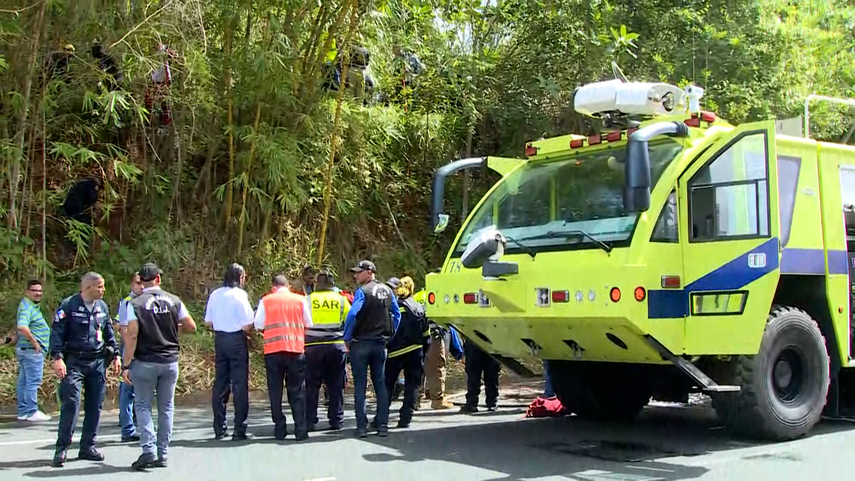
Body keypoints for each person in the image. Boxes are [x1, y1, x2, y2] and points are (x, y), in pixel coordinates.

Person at [122, 263, 197, 470]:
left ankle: (149, 450)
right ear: (158, 279)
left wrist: (126, 364)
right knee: (166, 407)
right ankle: (163, 453)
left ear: (142, 282)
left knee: (143, 405)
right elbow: (191, 326)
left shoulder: (135, 303)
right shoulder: (174, 300)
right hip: (169, 361)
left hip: (145, 361)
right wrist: (173, 329)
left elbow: (133, 334)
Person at [49, 272, 120, 468]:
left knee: (95, 405)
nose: (103, 290)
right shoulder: (69, 305)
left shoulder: (102, 307)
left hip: (97, 362)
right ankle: (62, 448)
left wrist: (115, 354)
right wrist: (57, 358)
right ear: (88, 287)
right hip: (74, 362)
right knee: (70, 404)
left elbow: (108, 331)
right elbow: (56, 333)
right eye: (100, 286)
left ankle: (88, 446)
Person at [343, 260, 400, 437]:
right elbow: (396, 315)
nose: (355, 275)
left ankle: (362, 427)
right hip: (380, 344)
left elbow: (352, 314)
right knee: (380, 384)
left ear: (369, 272)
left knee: (360, 386)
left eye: (359, 272)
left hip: (360, 343)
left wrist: (347, 337)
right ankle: (382, 424)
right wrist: (391, 335)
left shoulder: (363, 292)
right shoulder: (388, 291)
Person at [254, 275, 312, 441]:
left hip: (273, 351)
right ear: (289, 286)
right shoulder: (300, 300)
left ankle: (280, 428)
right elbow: (309, 323)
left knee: (275, 391)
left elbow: (258, 324)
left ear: (274, 287)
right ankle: (300, 429)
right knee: (297, 390)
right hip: (295, 350)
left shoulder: (266, 300)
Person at [205, 263, 255, 440]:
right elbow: (249, 322)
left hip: (220, 339)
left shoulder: (215, 294)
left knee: (220, 382)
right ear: (240, 277)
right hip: (236, 339)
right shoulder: (239, 295)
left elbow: (208, 322)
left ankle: (219, 427)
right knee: (239, 384)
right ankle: (239, 428)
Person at [305, 269, 350, 431]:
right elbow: (351, 320)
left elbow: (301, 321)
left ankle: (309, 420)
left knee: (311, 385)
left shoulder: (308, 300)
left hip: (312, 347)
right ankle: (336, 420)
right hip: (336, 346)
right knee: (336, 384)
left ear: (317, 284)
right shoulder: (342, 300)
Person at [383, 276, 427, 428]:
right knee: (412, 386)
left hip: (394, 353)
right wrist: (424, 354)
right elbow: (426, 334)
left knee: (387, 385)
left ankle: (381, 418)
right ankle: (405, 418)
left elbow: (385, 330)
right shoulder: (419, 308)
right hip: (415, 352)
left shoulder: (391, 308)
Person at [16, 279, 51, 422]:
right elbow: (22, 326)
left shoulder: (28, 305)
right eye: (35, 291)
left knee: (24, 381)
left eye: (40, 291)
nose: (38, 293)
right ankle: (31, 411)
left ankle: (24, 411)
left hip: (26, 350)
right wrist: (35, 342)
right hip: (31, 351)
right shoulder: (27, 308)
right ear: (27, 292)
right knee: (32, 381)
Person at [115, 272, 144, 441]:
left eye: (142, 283)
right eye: (137, 283)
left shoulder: (147, 301)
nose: (140, 286)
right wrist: (128, 353)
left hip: (143, 350)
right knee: (127, 389)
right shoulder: (127, 303)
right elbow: (121, 326)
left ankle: (136, 420)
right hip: (130, 349)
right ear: (132, 285)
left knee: (139, 389)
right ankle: (127, 427)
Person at [414, 289, 454, 409]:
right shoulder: (440, 295)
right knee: (436, 367)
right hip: (433, 335)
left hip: (417, 336)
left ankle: (415, 400)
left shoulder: (417, 296)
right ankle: (437, 400)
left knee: (418, 368)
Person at [460, 337, 501, 413]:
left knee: (474, 375)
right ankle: (492, 403)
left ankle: (472, 403)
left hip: (474, 340)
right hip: (491, 341)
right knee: (491, 374)